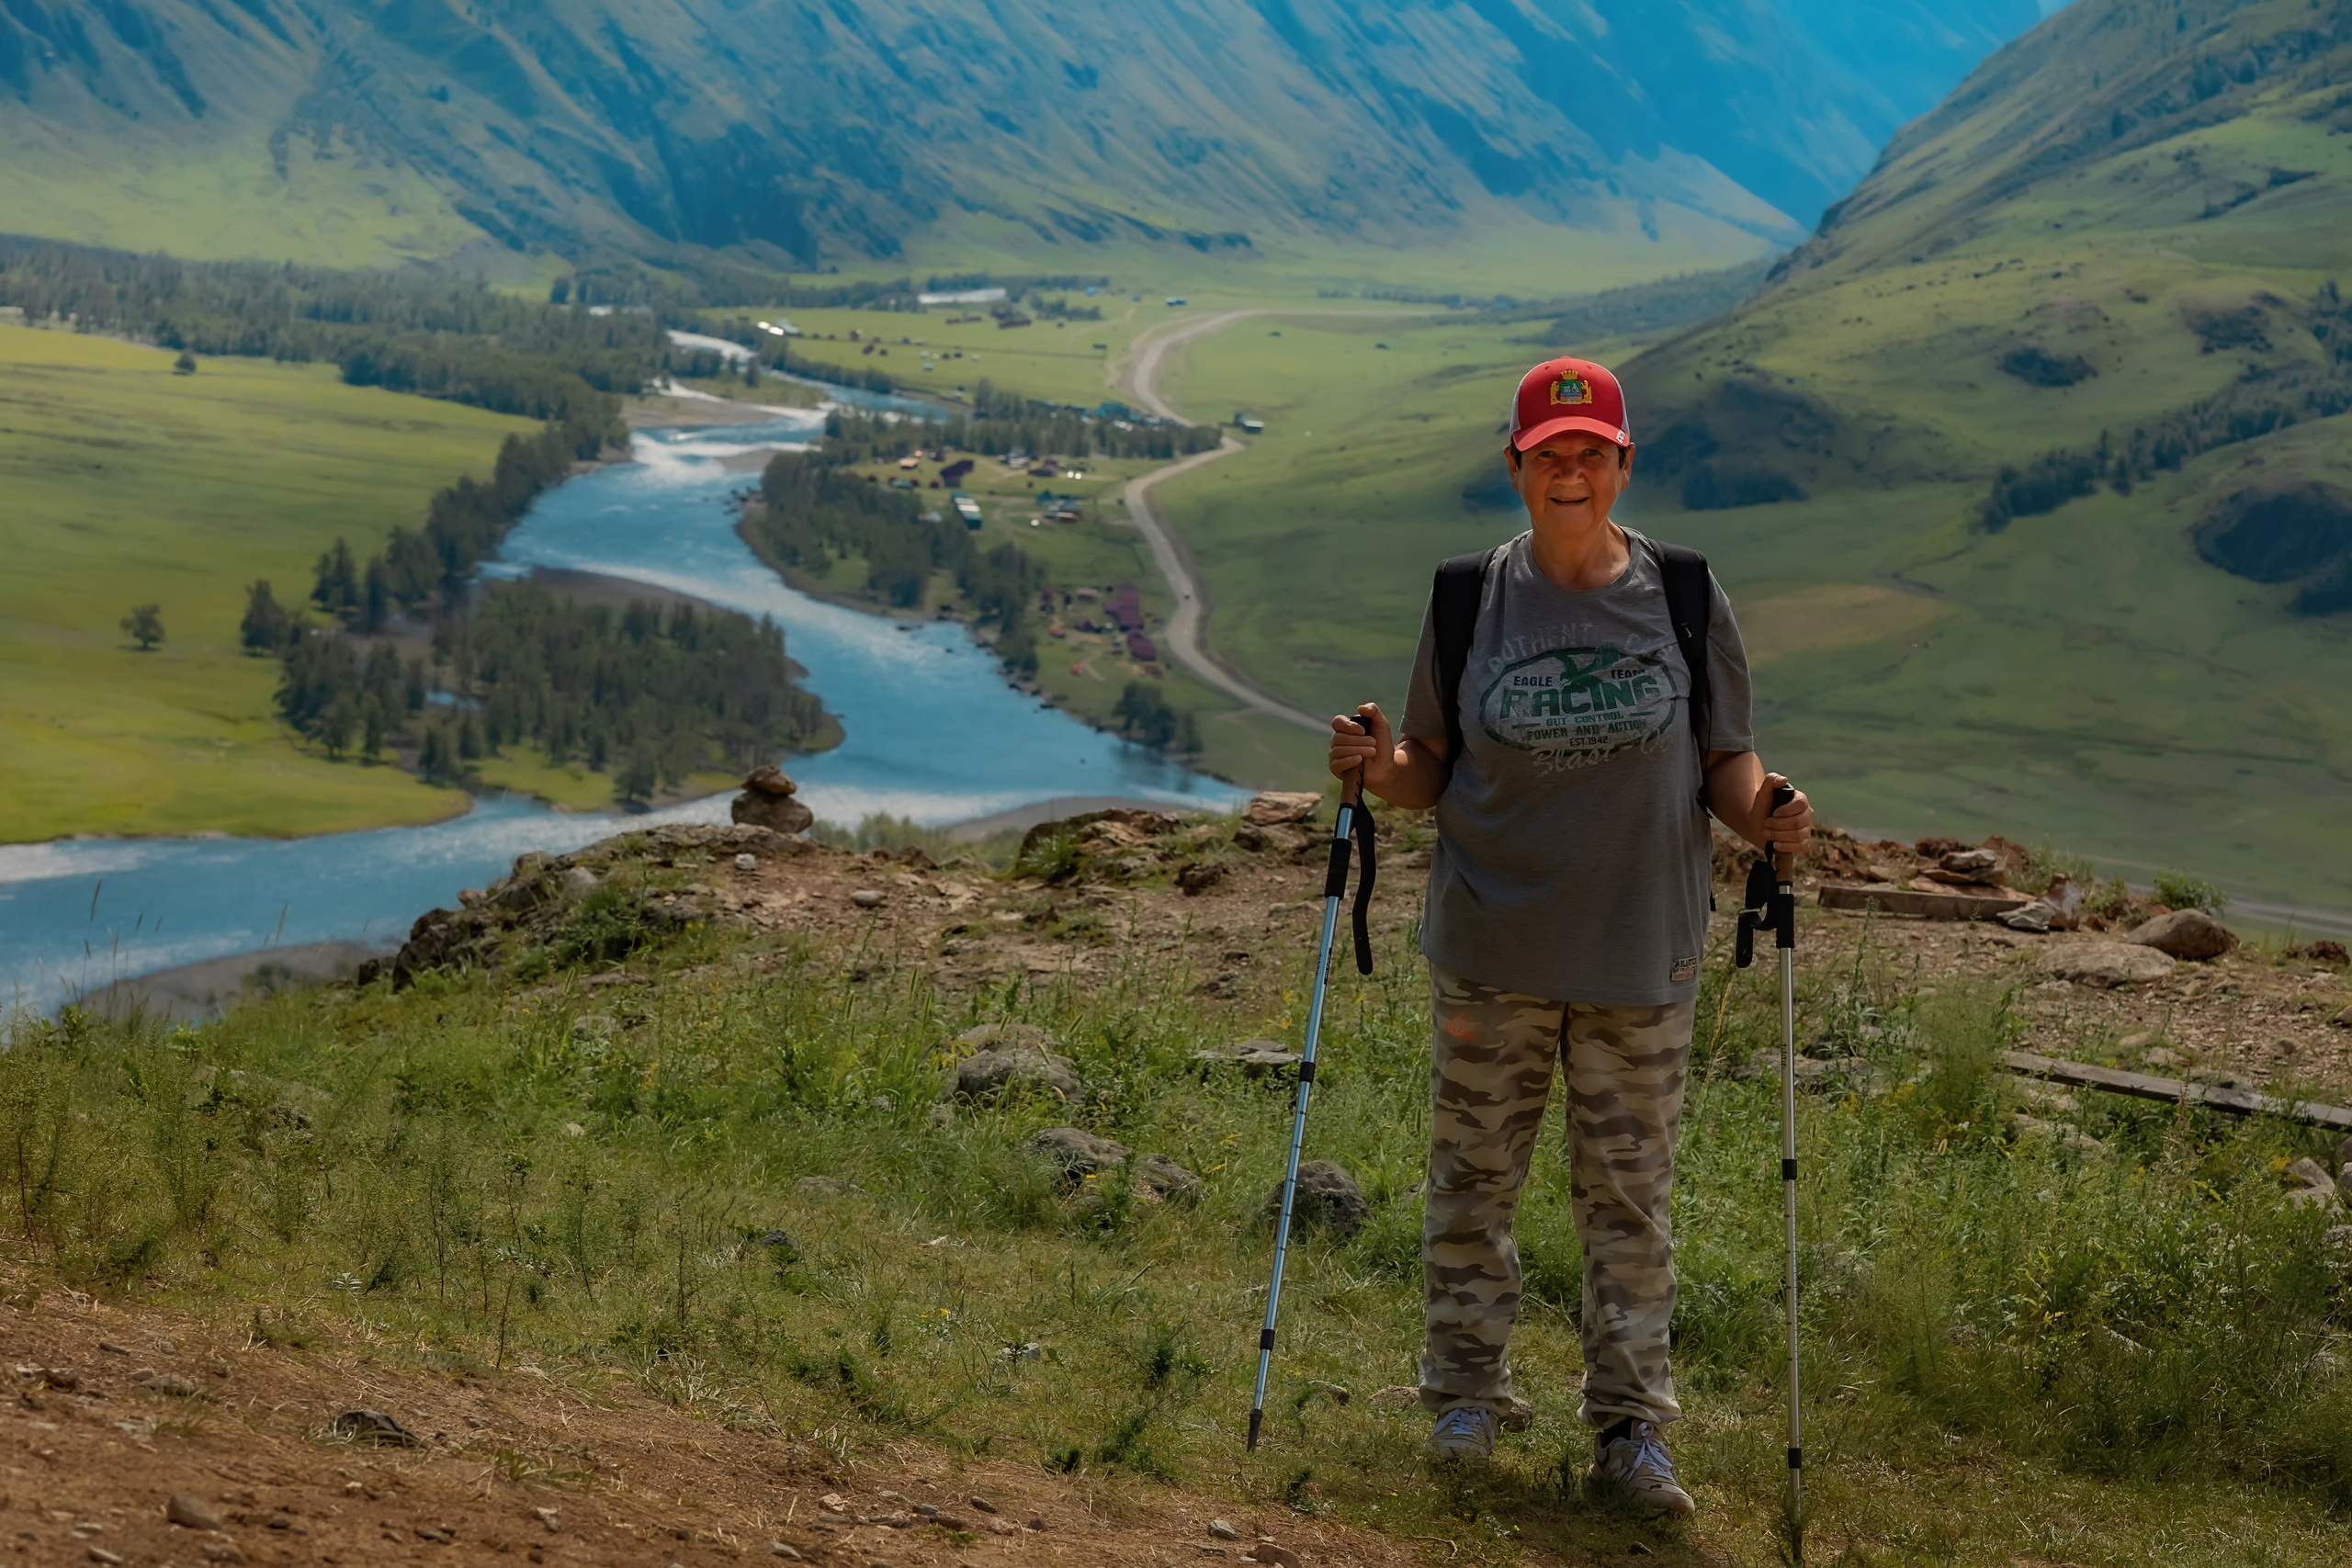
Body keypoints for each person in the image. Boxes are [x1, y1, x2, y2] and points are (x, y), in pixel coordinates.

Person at [1328, 355, 1813, 1517]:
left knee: (1631, 1203)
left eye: (1590, 451)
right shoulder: (1466, 597)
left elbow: (1723, 759)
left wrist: (1765, 813)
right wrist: (1374, 766)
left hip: (1641, 955)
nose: (1569, 469)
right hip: (1492, 951)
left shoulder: (1684, 594)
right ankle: (1463, 1396)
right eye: (1549, 454)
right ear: (1515, 466)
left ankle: (1632, 1432)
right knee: (1473, 1182)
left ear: (1622, 464)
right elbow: (1429, 769)